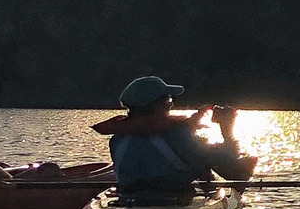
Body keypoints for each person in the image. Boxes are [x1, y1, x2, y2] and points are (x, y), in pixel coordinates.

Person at [94, 76, 256, 193]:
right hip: (172, 200)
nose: (171, 106)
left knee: (199, 164)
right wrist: (227, 130)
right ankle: (216, 196)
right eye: (169, 101)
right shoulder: (178, 135)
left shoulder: (117, 138)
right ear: (158, 106)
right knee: (243, 165)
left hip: (129, 198)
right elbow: (224, 159)